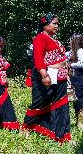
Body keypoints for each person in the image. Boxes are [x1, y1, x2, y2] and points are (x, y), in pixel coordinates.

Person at [22, 13, 71, 143]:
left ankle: (62, 136)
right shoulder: (40, 38)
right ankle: (27, 126)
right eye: (54, 23)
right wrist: (44, 75)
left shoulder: (54, 39)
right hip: (46, 77)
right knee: (40, 102)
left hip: (60, 78)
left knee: (62, 105)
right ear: (45, 25)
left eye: (58, 24)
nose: (57, 26)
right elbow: (38, 58)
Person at [70, 34, 83, 129]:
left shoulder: (80, 51)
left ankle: (80, 122)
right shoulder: (71, 52)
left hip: (80, 77)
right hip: (75, 77)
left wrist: (70, 65)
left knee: (80, 99)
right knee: (77, 99)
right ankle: (79, 121)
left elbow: (82, 64)